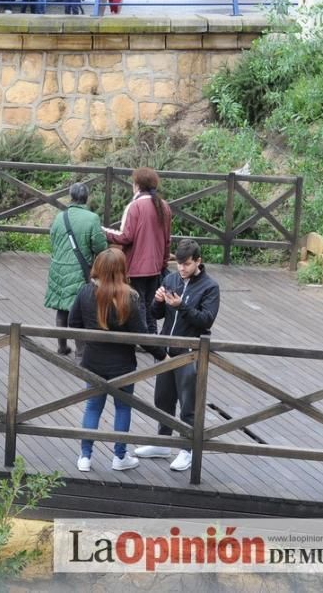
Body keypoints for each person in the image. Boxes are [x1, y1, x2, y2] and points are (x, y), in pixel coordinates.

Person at [69, 248, 161, 473]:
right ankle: (120, 456)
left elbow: (73, 322)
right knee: (122, 408)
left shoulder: (86, 292)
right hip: (123, 364)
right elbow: (142, 335)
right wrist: (163, 355)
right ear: (121, 270)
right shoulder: (129, 297)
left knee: (92, 408)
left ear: (98, 268)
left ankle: (85, 456)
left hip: (93, 361)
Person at [135, 239, 220, 472]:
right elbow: (156, 314)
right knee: (162, 399)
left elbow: (206, 320)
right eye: (179, 263)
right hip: (166, 351)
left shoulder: (210, 287)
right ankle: (163, 443)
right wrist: (158, 300)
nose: (182, 268)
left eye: (187, 264)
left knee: (188, 404)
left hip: (191, 353)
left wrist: (182, 306)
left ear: (198, 262)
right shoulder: (170, 279)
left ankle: (188, 449)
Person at [103, 166, 171, 335]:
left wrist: (102, 231)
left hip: (136, 266)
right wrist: (163, 262)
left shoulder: (135, 206)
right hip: (155, 266)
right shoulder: (163, 206)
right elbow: (167, 239)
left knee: (137, 302)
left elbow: (125, 237)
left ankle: (142, 337)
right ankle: (152, 335)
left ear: (136, 185)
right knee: (150, 303)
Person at [44, 183, 107, 356]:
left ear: (70, 196)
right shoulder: (92, 218)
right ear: (86, 197)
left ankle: (62, 346)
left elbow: (53, 240)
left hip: (58, 267)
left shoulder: (59, 217)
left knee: (61, 309)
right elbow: (100, 246)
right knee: (79, 309)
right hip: (79, 270)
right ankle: (81, 351)